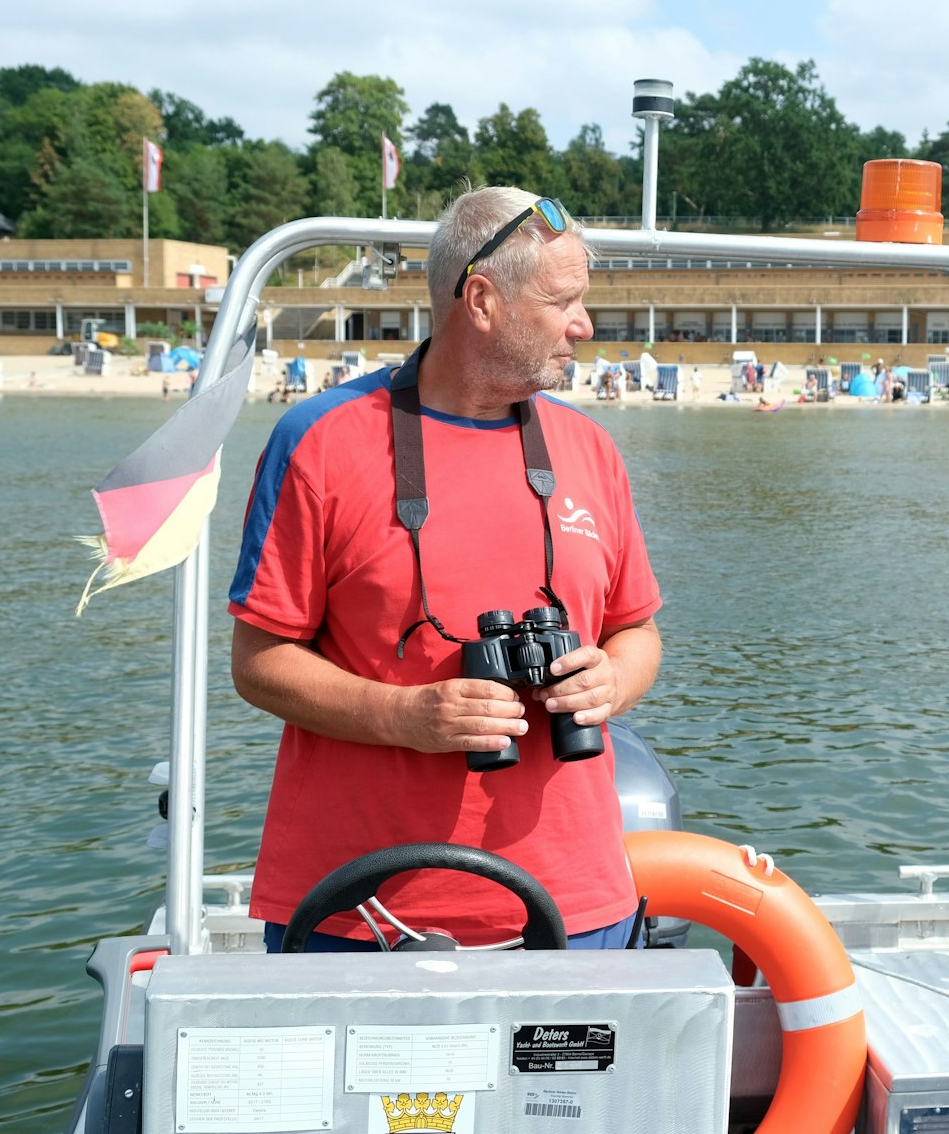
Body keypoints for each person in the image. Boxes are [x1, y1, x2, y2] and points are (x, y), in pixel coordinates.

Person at [227, 186, 663, 953]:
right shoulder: (320, 441)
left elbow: (637, 631)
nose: (584, 325)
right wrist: (407, 716)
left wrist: (612, 681)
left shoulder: (591, 450)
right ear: (483, 300)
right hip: (357, 911)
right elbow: (259, 664)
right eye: (563, 301)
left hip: (576, 906)